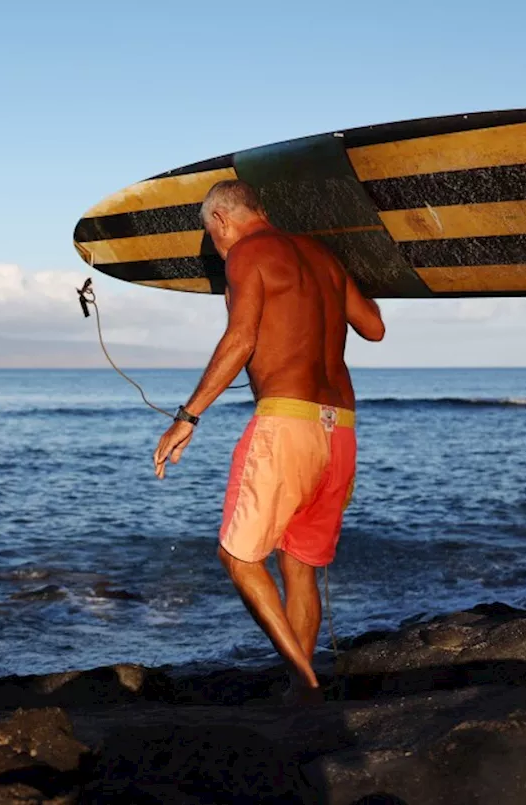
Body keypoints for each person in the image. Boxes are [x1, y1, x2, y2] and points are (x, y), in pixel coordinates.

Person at [152, 180, 385, 704]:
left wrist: (187, 416)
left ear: (221, 220)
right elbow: (373, 327)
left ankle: (305, 682)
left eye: (212, 235)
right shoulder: (323, 258)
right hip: (340, 427)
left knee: (238, 557)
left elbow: (241, 338)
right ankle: (299, 695)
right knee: (297, 565)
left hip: (287, 424)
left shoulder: (247, 252)